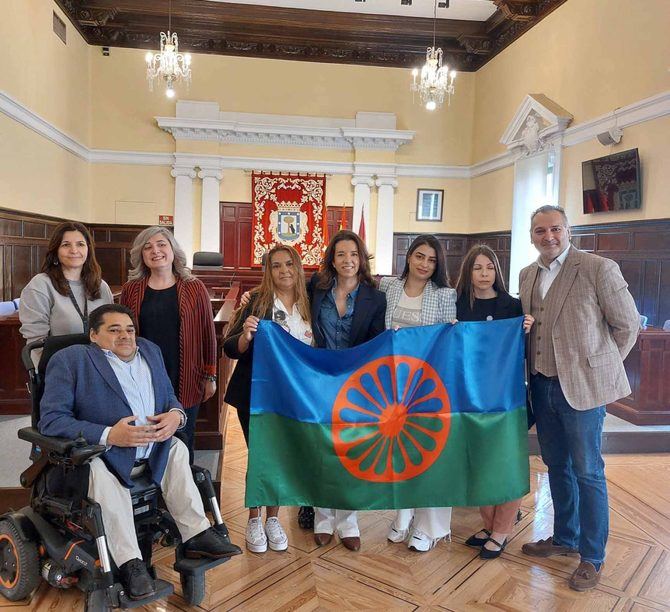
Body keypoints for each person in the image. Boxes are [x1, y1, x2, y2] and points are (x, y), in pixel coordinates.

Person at [38, 304, 241, 600]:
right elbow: (52, 420)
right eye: (114, 329)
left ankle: (197, 535)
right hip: (102, 455)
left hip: (153, 450)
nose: (125, 335)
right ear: (93, 335)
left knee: (177, 450)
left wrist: (175, 415)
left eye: (129, 329)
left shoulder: (149, 351)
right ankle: (131, 564)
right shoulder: (71, 360)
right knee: (100, 473)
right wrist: (110, 435)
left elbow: (169, 396)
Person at [519, 205, 639, 591]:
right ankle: (565, 538)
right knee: (556, 466)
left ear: (568, 230)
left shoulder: (597, 269)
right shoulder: (526, 275)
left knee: (588, 471)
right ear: (532, 235)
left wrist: (598, 370)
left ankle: (592, 555)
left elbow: (627, 325)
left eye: (555, 229)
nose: (548, 236)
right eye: (540, 231)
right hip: (541, 384)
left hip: (583, 391)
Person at [223, 244, 312, 554]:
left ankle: (273, 518)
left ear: (298, 267)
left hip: (294, 397)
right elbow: (230, 347)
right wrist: (246, 336)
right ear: (268, 270)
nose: (284, 270)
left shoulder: (309, 304)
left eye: (289, 264)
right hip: (255, 395)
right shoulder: (256, 301)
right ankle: (253, 518)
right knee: (261, 455)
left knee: (281, 457)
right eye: (276, 265)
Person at [378, 234, 457, 552]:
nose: (425, 264)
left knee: (429, 453)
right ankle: (404, 512)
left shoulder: (445, 294)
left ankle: (430, 526)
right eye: (419, 256)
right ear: (408, 257)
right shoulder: (387, 287)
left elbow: (448, 340)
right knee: (400, 452)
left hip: (428, 387)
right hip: (392, 384)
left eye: (432, 259)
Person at [309, 230, 386, 552]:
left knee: (352, 449)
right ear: (332, 258)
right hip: (318, 378)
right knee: (322, 448)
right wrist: (249, 297)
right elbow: (281, 296)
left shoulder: (375, 297)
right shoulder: (316, 287)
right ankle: (322, 517)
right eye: (341, 254)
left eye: (353, 254)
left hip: (357, 384)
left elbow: (377, 341)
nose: (348, 260)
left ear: (361, 257)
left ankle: (348, 520)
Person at [455, 244, 534, 559]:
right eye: (477, 267)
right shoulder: (459, 305)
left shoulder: (512, 307)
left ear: (497, 272)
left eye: (489, 267)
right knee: (478, 463)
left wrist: (525, 329)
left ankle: (502, 530)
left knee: (505, 462)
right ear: (469, 272)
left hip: (506, 398)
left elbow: (523, 351)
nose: (484, 273)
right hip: (470, 397)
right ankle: (489, 525)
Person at [121, 227, 216, 464]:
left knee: (182, 440)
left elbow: (207, 333)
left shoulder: (194, 287)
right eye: (148, 247)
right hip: (143, 377)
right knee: (148, 437)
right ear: (141, 255)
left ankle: (181, 496)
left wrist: (210, 375)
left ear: (172, 249)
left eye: (161, 244)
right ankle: (152, 495)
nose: (156, 251)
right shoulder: (131, 290)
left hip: (186, 376)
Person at [19, 221, 113, 354]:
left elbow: (110, 331)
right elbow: (36, 344)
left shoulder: (101, 286)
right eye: (66, 245)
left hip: (99, 364)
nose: (74, 250)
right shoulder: (40, 285)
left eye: (80, 244)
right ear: (56, 250)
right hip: (60, 367)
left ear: (88, 249)